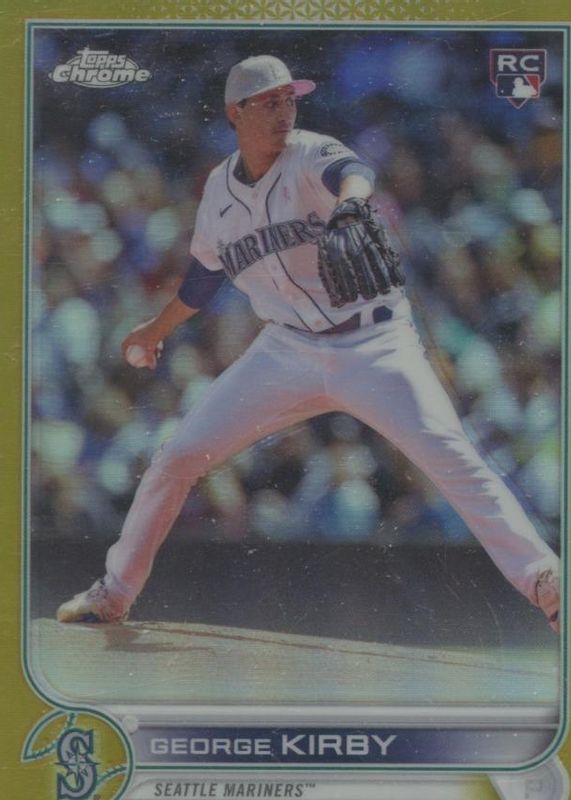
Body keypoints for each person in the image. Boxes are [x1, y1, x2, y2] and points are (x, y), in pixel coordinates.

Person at [57, 55, 561, 633]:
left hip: (374, 342)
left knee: (452, 457)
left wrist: (350, 202)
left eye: (289, 99)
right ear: (235, 112)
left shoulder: (309, 151)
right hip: (286, 351)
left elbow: (352, 171)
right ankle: (114, 591)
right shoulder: (219, 189)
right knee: (177, 458)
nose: (284, 111)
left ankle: (546, 582)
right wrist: (156, 329)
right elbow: (204, 275)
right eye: (269, 102)